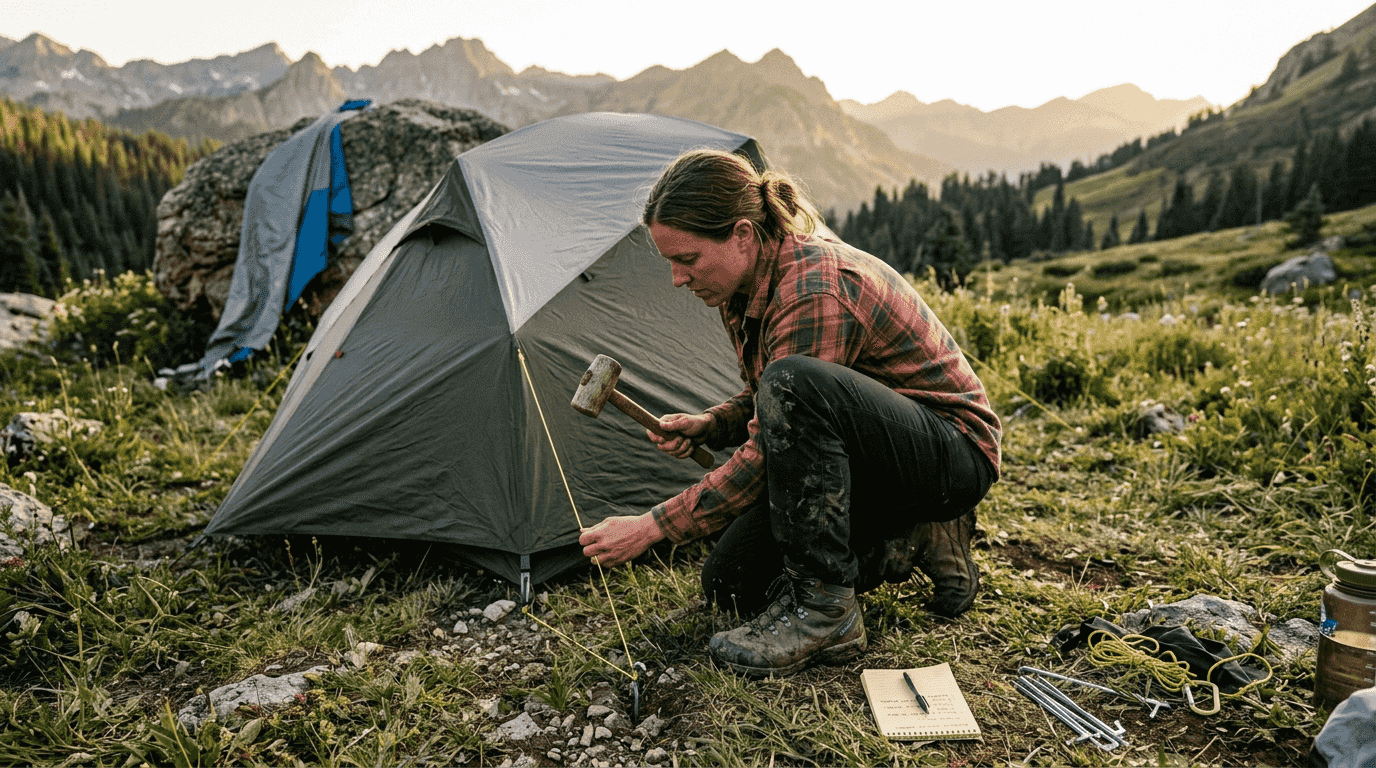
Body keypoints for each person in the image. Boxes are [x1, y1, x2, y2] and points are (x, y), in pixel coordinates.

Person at [578, 149, 1001, 677]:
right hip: (871, 455)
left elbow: (788, 406)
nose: (677, 279)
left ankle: (827, 610)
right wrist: (713, 424)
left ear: (742, 235)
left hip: (949, 456)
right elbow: (772, 404)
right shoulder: (741, 286)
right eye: (669, 262)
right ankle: (914, 533)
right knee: (732, 585)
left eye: (686, 259)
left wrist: (652, 526)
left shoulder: (812, 287)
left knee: (795, 381)